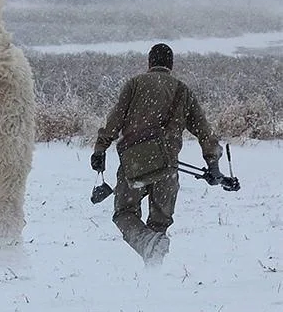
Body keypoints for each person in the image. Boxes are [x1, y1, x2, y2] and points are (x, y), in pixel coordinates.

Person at [90, 43, 223, 266]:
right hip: (167, 168)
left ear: (150, 62)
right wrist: (213, 165)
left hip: (134, 165)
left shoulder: (135, 84)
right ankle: (154, 273)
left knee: (124, 213)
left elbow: (114, 121)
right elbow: (204, 131)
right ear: (170, 64)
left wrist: (100, 148)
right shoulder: (183, 91)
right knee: (159, 224)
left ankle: (147, 251)